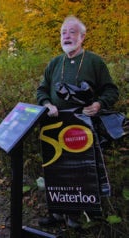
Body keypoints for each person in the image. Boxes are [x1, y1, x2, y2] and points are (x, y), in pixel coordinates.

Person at [36, 16, 119, 228]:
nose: (66, 36)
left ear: (82, 37)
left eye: (72, 32)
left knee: (78, 171)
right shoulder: (55, 62)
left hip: (82, 127)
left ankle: (75, 217)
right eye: (63, 32)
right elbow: (42, 90)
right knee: (56, 170)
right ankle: (56, 214)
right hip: (54, 127)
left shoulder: (94, 61)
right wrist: (46, 103)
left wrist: (99, 104)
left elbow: (111, 90)